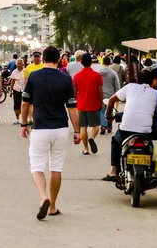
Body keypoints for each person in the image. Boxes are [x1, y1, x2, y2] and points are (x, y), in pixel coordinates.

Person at [21, 46, 80, 220]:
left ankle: (43, 197)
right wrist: (77, 131)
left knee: (37, 166)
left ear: (43, 58)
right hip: (60, 128)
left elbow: (25, 103)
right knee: (56, 167)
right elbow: (72, 108)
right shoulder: (65, 79)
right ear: (59, 59)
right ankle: (53, 206)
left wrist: (24, 124)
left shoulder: (33, 76)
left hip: (40, 128)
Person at [103, 68, 157, 181]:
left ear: (137, 79)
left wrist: (108, 114)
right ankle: (154, 172)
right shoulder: (156, 94)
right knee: (154, 146)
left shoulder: (130, 87)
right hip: (145, 132)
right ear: (152, 80)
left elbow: (111, 100)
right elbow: (156, 114)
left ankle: (114, 171)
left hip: (126, 130)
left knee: (115, 142)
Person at [73, 53, 103, 155]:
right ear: (91, 62)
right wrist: (101, 101)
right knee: (96, 126)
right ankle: (92, 137)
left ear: (81, 63)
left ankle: (86, 149)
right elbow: (100, 91)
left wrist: (77, 100)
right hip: (94, 103)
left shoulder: (76, 76)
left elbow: (74, 91)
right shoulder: (97, 75)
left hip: (81, 104)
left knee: (83, 127)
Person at [99, 56, 120, 135]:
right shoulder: (113, 73)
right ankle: (109, 127)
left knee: (102, 110)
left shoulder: (98, 72)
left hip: (100, 94)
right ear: (110, 63)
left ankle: (103, 126)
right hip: (111, 95)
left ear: (103, 62)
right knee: (110, 110)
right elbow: (117, 85)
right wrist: (117, 96)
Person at [10, 58, 26, 125]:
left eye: (20, 63)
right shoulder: (14, 72)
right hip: (16, 89)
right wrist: (10, 91)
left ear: (23, 64)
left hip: (24, 90)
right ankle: (17, 119)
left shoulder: (25, 71)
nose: (19, 65)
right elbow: (12, 82)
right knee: (16, 104)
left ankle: (23, 120)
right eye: (18, 63)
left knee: (24, 104)